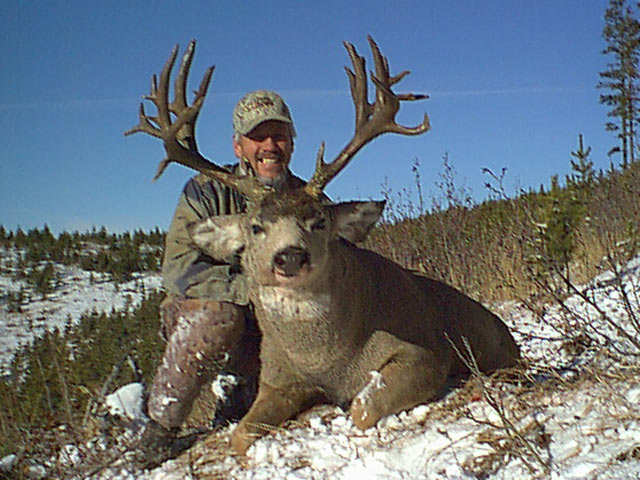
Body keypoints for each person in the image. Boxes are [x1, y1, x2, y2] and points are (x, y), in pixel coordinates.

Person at [136, 90, 305, 468]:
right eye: (257, 137)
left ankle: (239, 393)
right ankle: (160, 431)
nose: (269, 146)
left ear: (292, 141)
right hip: (212, 314)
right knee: (218, 316)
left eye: (278, 135)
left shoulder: (308, 199)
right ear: (238, 145)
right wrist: (251, 289)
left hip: (279, 325)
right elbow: (178, 268)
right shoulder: (206, 190)